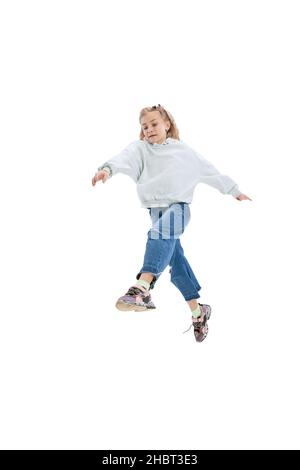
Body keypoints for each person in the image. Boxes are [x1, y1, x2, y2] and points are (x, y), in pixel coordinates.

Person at [92, 104, 251, 342]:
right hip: (155, 211)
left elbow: (209, 171)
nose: (149, 130)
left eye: (154, 124)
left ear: (167, 124)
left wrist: (234, 191)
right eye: (144, 126)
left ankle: (142, 289)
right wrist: (107, 170)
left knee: (158, 234)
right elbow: (123, 158)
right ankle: (199, 313)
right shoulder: (141, 149)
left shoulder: (183, 151)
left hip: (178, 208)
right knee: (176, 266)